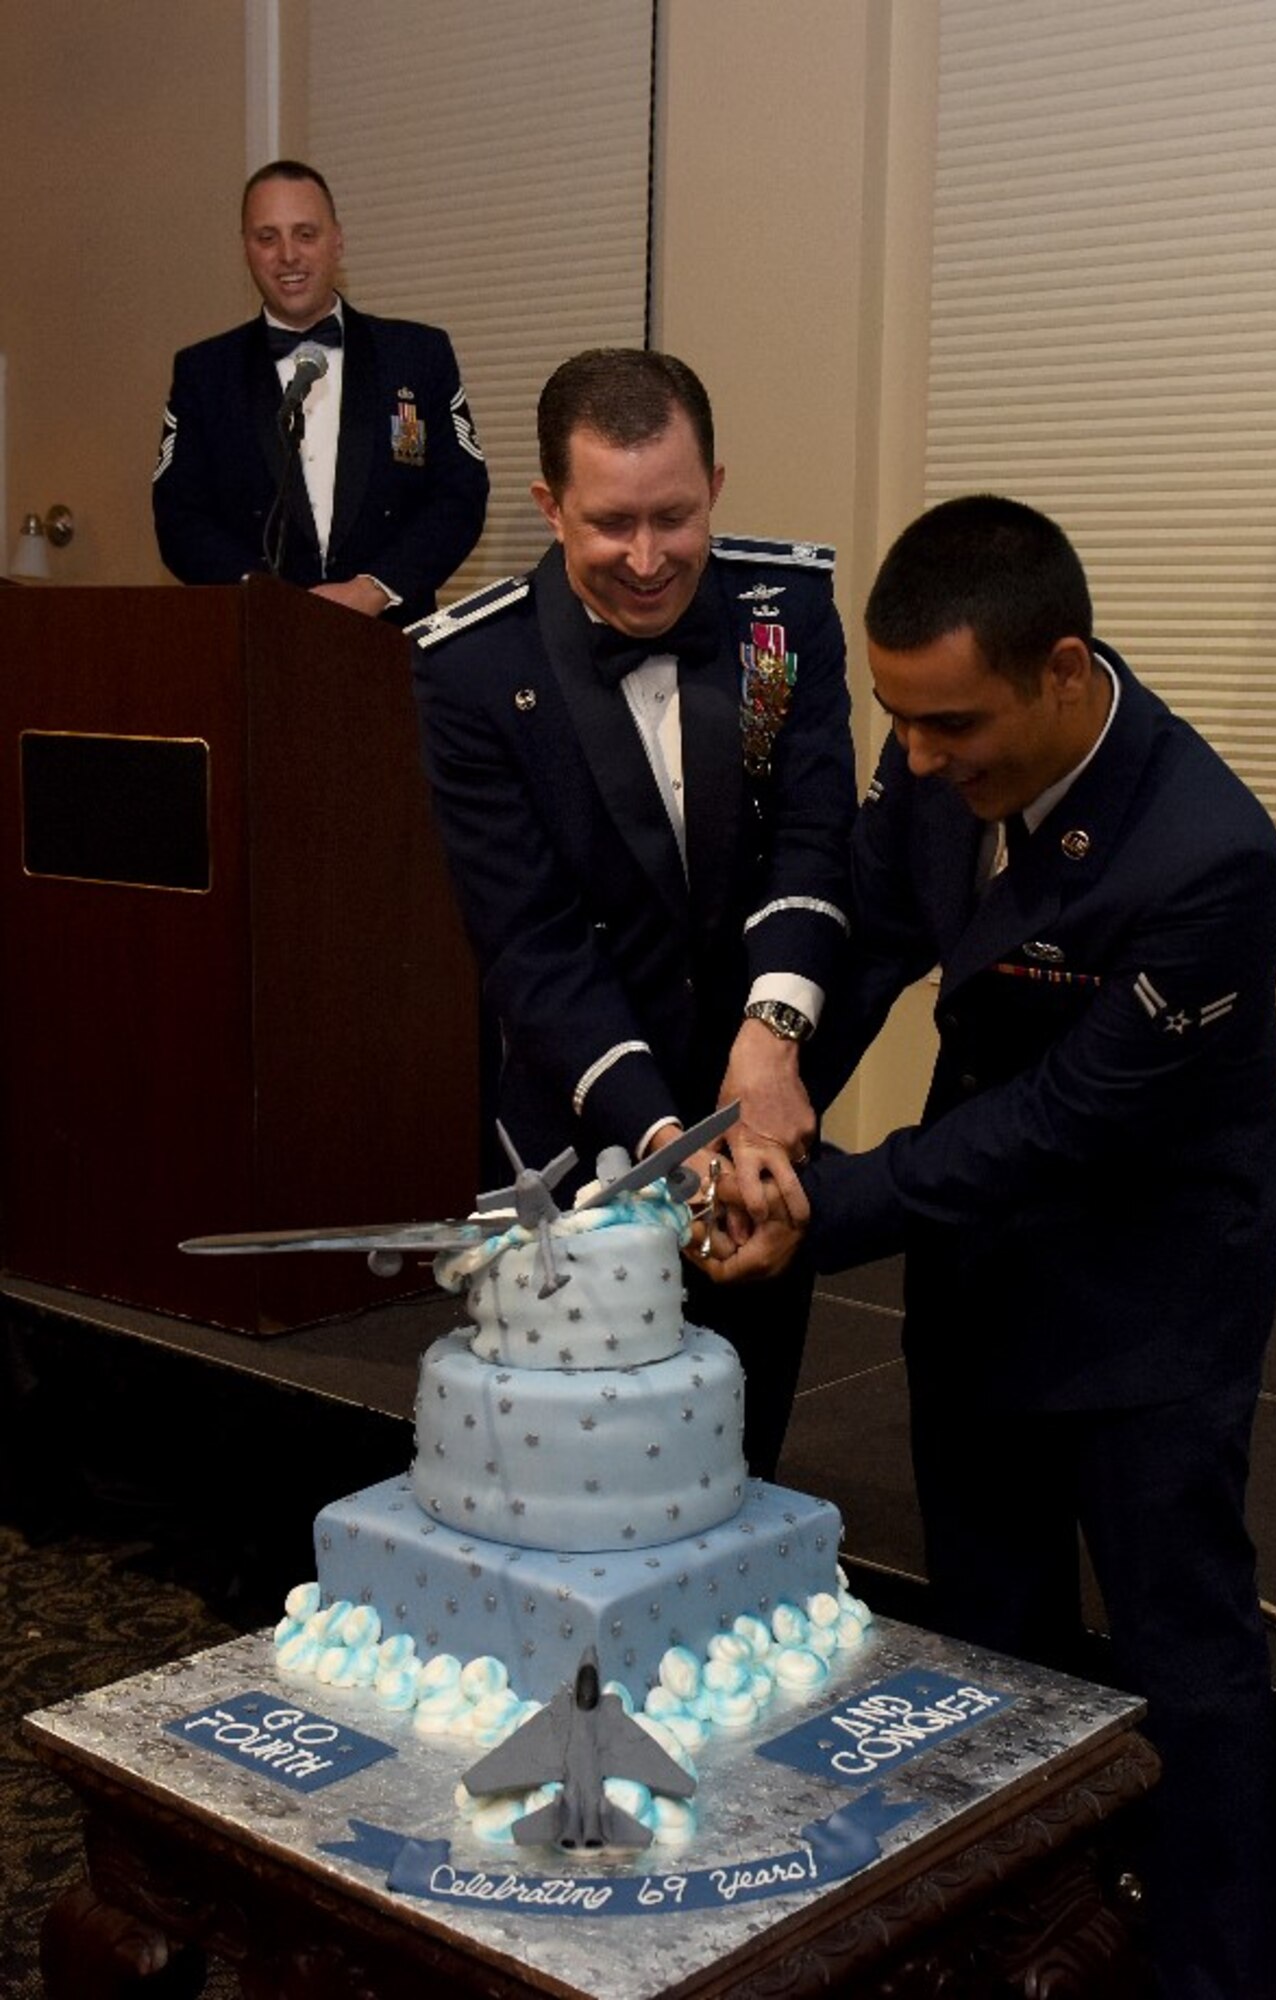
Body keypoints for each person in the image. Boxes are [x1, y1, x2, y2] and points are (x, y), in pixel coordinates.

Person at [700, 495, 1276, 1999]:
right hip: (978, 1277)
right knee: (987, 1643)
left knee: (1183, 1653)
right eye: (897, 720)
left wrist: (813, 1210)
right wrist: (777, 1087)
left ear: (1063, 669)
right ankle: (1007, 1947)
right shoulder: (943, 774)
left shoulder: (1209, 853)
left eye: (949, 723)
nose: (916, 760)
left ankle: (1223, 1969)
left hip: (1146, 1295)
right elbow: (878, 926)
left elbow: (1056, 1125)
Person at [409, 347, 857, 1477]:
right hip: (581, 1128)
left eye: (677, 515)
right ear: (549, 505)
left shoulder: (784, 613)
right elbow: (532, 945)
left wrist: (775, 1039)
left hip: (763, 1117)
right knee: (583, 1481)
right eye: (612, 523)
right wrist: (670, 1142)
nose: (650, 559)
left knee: (739, 1458)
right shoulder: (472, 671)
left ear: (716, 482)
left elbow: (811, 838)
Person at [152, 159, 488, 627]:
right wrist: (270, 602)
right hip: (259, 646)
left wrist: (375, 587)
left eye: (305, 234)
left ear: (338, 241)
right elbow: (179, 520)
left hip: (394, 643)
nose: (287, 255)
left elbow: (460, 498)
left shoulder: (418, 355)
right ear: (246, 249)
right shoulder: (203, 373)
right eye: (267, 238)